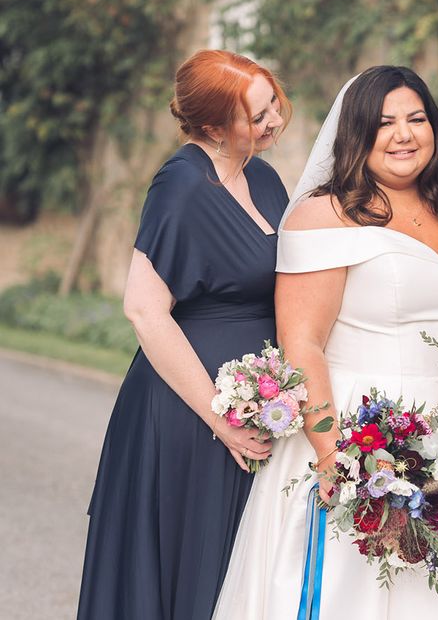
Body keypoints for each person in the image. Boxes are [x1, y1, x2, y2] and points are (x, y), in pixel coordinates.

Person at [213, 66, 438, 619]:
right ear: (356, 135)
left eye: (416, 119)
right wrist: (335, 458)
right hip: (361, 438)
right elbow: (301, 341)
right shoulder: (324, 215)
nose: (404, 134)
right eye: (384, 123)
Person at [77, 50, 291, 619]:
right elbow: (144, 310)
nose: (272, 120)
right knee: (189, 567)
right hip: (191, 413)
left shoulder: (261, 176)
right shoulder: (182, 186)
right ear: (214, 127)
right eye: (256, 115)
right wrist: (221, 418)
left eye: (272, 103)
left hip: (256, 406)